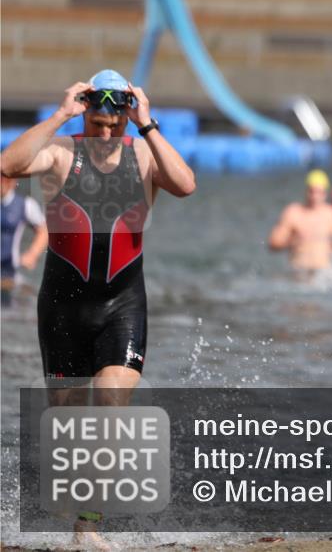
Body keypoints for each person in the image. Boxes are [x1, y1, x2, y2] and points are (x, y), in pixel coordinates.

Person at [0, 70, 196, 547]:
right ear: (85, 111)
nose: (106, 133)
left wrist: (148, 125)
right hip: (62, 309)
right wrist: (60, 114)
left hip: (122, 305)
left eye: (115, 124)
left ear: (127, 117)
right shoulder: (61, 151)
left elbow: (186, 185)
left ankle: (88, 528)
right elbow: (8, 162)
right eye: (97, 122)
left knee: (111, 405)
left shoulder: (145, 151)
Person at [268, 169, 332, 272]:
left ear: (325, 194)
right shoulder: (293, 213)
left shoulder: (331, 214)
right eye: (312, 191)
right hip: (298, 274)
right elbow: (273, 243)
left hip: (322, 276)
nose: (315, 197)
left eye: (319, 192)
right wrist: (292, 241)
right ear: (306, 191)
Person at [1, 172, 48, 307]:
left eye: (2, 177)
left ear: (12, 181)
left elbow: (44, 231)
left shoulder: (26, 204)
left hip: (10, 274)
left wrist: (32, 254)